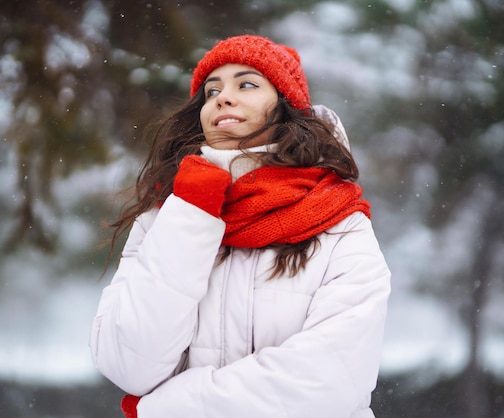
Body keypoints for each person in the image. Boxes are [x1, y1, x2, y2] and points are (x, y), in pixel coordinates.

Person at [89, 34, 391, 418]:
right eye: (211, 90)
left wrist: (166, 409)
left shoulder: (339, 221)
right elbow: (129, 365)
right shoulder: (165, 218)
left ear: (285, 108)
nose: (222, 97)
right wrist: (193, 212)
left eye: (246, 84)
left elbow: (329, 382)